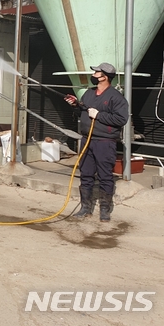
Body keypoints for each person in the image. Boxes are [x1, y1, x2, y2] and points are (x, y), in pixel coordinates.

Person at [64, 63, 129, 222]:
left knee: (105, 176)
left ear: (105, 76)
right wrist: (75, 105)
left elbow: (121, 119)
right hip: (87, 140)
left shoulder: (116, 97)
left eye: (96, 73)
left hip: (104, 142)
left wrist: (99, 115)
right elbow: (83, 111)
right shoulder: (88, 93)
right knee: (85, 174)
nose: (93, 75)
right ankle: (85, 207)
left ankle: (105, 210)